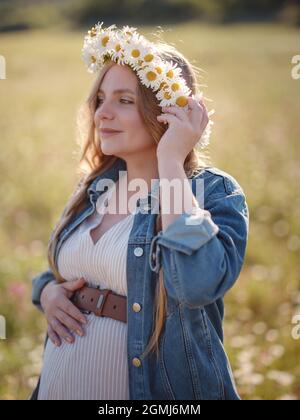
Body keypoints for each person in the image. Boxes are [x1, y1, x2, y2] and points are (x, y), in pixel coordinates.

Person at [30, 23, 249, 400]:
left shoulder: (210, 191)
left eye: (124, 101)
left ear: (165, 112)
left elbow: (195, 286)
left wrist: (170, 159)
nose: (102, 114)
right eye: (100, 99)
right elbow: (60, 272)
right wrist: (47, 292)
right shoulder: (95, 188)